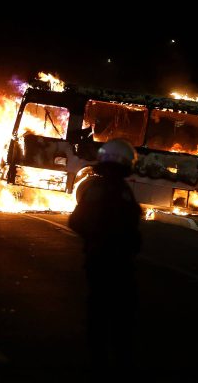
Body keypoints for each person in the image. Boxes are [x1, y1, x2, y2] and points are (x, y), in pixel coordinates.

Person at [68, 138, 142, 371]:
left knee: (105, 312)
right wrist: (102, 239)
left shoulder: (115, 189)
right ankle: (107, 362)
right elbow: (78, 221)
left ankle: (105, 360)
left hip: (105, 260)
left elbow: (77, 221)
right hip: (109, 261)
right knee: (114, 314)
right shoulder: (110, 190)